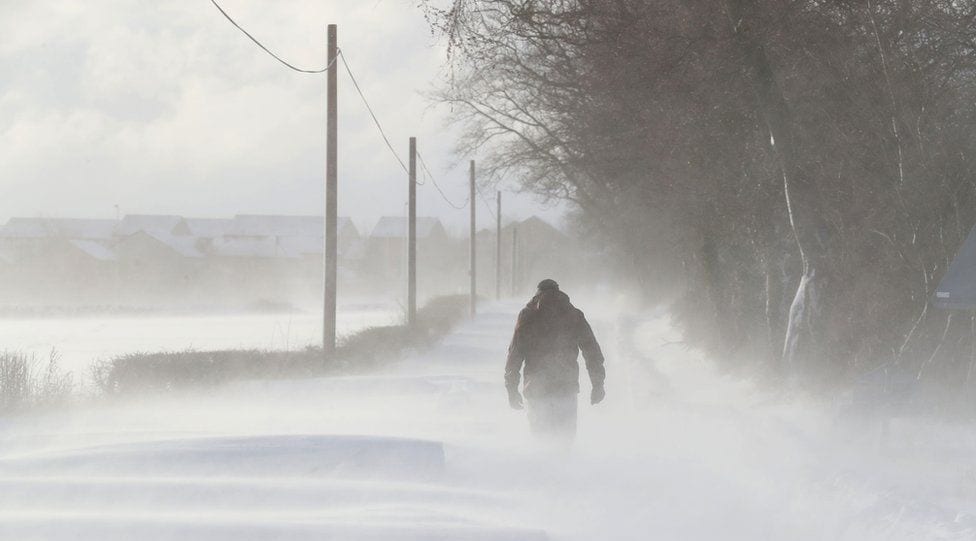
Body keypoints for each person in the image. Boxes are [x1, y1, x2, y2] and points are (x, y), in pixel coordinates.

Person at [505, 279, 606, 443]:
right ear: (560, 293)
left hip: (536, 389)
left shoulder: (527, 316)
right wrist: (598, 384)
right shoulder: (574, 315)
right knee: (565, 441)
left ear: (537, 294)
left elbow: (514, 354)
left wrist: (511, 388)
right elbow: (591, 351)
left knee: (540, 442)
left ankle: (545, 466)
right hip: (565, 388)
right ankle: (563, 465)